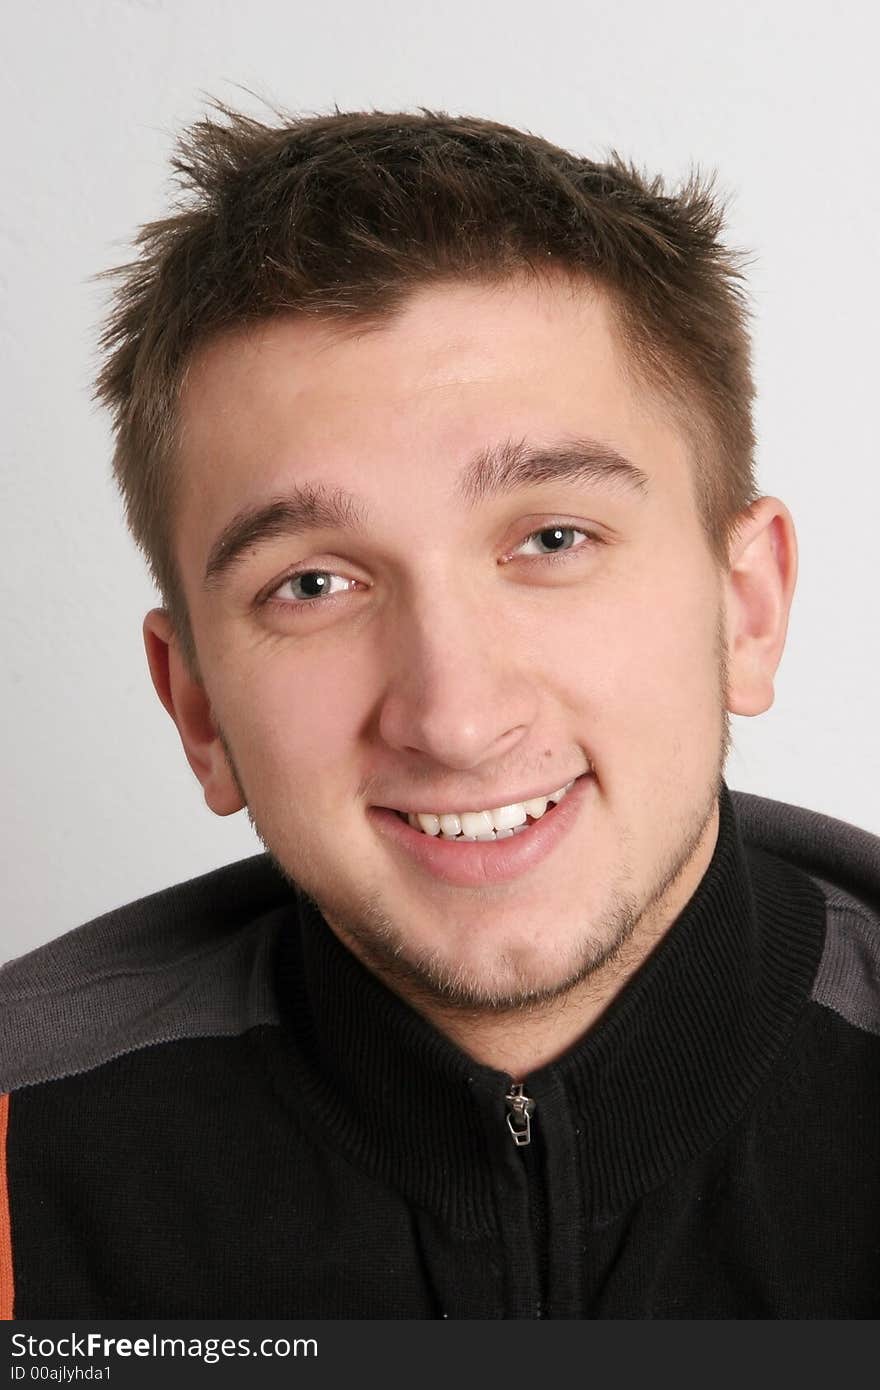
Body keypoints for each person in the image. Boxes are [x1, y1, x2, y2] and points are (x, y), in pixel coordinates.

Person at [1, 104, 877, 1321]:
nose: (454, 718)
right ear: (196, 706)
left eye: (553, 538)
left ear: (745, 609)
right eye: (313, 584)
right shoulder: (20, 1161)